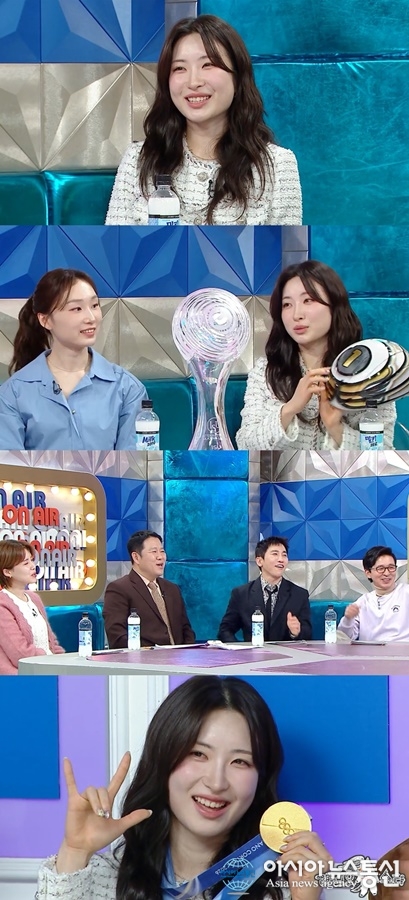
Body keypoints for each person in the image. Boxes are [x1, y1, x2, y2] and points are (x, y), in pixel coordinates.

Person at [37, 675, 331, 900]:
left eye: (240, 761)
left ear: (261, 777)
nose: (216, 782)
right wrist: (74, 852)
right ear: (163, 758)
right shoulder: (105, 877)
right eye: (198, 754)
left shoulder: (282, 887)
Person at [105, 15, 302, 226]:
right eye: (179, 68)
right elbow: (116, 246)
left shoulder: (278, 166)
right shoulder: (138, 160)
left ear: (238, 77)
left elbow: (281, 247)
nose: (193, 82)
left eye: (208, 64)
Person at [236, 260, 397, 450]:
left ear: (334, 305)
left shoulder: (371, 373)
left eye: (308, 300)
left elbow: (383, 454)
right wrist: (290, 408)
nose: (296, 314)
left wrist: (335, 427)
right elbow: (245, 445)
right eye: (287, 304)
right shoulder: (265, 373)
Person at [0, 268, 147, 450]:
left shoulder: (128, 389)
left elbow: (133, 463)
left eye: (95, 306)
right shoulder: (13, 393)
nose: (91, 318)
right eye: (76, 309)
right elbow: (8, 464)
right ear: (45, 320)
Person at [103, 530, 195, 647]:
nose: (160, 557)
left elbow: (186, 630)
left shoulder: (172, 589)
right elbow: (117, 637)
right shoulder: (119, 589)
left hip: (178, 657)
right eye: (154, 552)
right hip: (143, 657)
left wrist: (187, 653)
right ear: (136, 557)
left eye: (162, 551)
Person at [217, 536, 311, 642]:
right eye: (275, 554)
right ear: (259, 561)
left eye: (284, 555)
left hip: (287, 652)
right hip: (253, 652)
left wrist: (296, 632)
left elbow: (308, 634)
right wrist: (240, 650)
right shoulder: (241, 594)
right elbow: (225, 630)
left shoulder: (299, 595)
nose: (281, 559)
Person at [0, 540, 65, 674]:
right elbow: (19, 653)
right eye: (26, 563)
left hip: (45, 669)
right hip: (18, 676)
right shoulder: (2, 604)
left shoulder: (34, 598)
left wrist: (65, 662)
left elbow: (51, 642)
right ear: (7, 572)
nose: (33, 566)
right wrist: (49, 658)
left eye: (31, 560)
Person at [337, 546, 409, 642]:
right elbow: (344, 638)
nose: (387, 573)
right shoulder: (362, 602)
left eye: (391, 567)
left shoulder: (406, 592)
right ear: (368, 573)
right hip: (371, 651)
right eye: (381, 568)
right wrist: (348, 619)